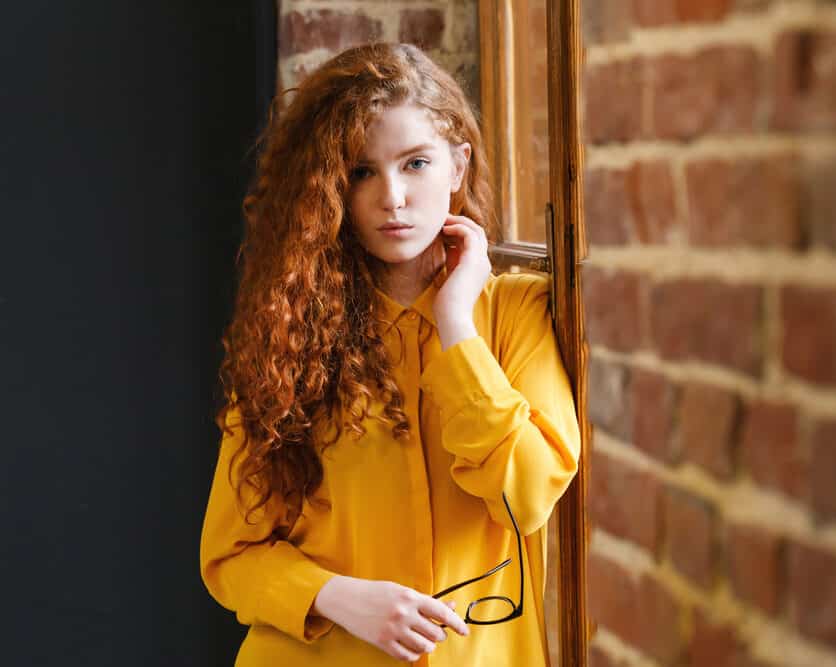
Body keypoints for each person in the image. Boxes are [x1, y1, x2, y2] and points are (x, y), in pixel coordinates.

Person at [200, 42, 581, 666]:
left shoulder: (514, 314)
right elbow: (229, 554)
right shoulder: (290, 333)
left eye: (416, 164)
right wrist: (338, 597)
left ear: (458, 167)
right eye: (361, 172)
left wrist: (456, 324)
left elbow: (528, 494)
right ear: (330, 187)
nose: (393, 198)